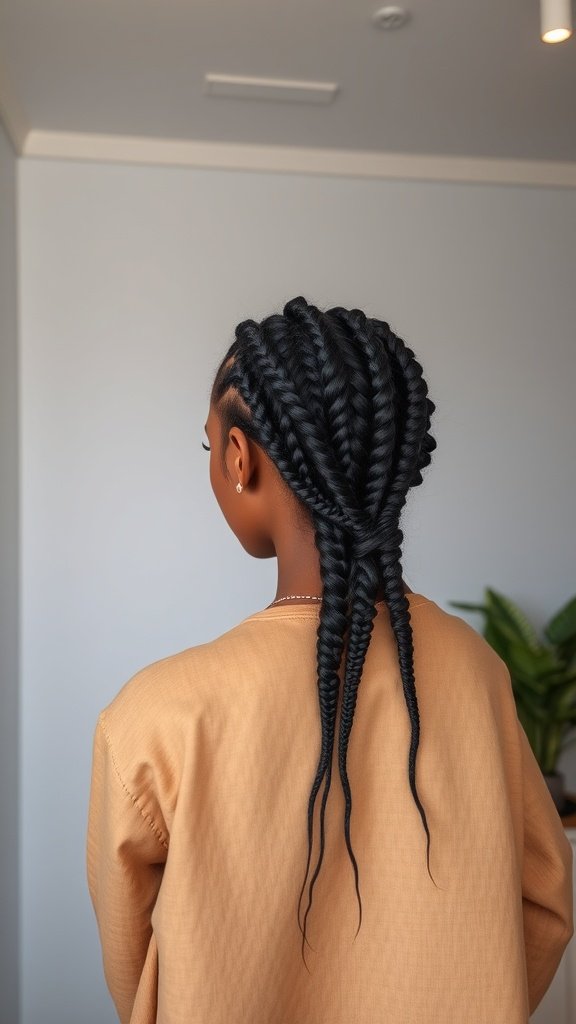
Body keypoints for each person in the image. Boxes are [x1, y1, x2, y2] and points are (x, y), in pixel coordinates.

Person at [86, 296, 573, 1024]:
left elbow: (135, 964)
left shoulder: (158, 714)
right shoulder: (479, 675)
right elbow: (544, 902)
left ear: (238, 458)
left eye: (208, 448)